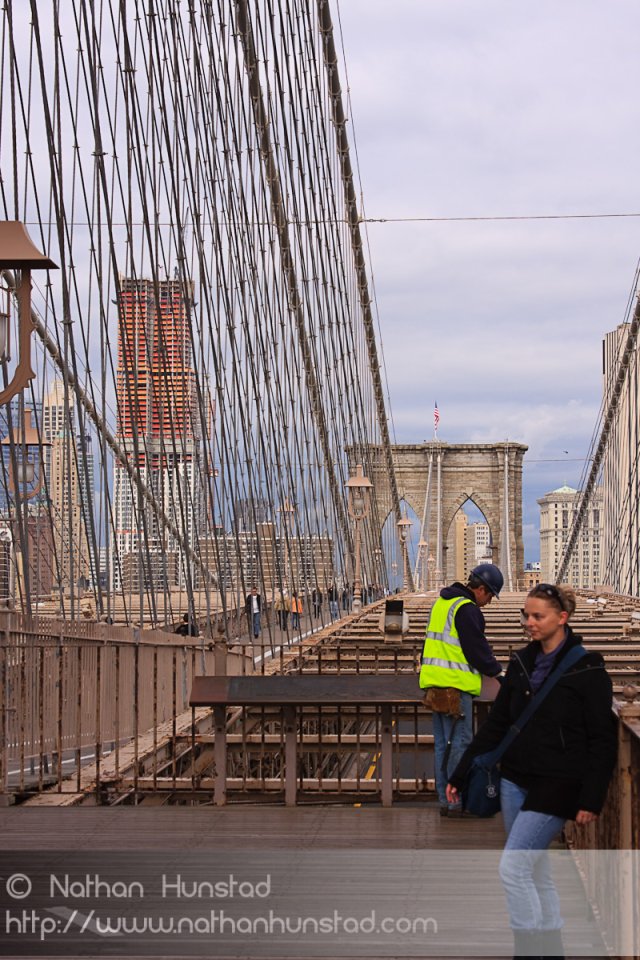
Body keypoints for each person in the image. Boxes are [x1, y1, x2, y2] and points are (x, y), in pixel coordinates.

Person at [446, 583, 617, 959]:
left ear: (562, 618)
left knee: (513, 869)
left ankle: (527, 952)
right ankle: (551, 952)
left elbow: (603, 739)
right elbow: (495, 725)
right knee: (534, 870)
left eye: (538, 616)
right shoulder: (522, 663)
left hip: (559, 783)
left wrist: (591, 797)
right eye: (526, 615)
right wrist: (460, 773)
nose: (529, 622)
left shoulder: (589, 669)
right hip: (514, 780)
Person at [419, 562, 504, 817]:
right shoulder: (466, 609)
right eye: (490, 595)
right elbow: (476, 650)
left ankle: (445, 801)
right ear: (481, 589)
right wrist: (498, 672)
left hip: (434, 684)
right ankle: (457, 802)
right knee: (461, 745)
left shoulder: (441, 603)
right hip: (455, 688)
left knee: (442, 746)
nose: (488, 602)